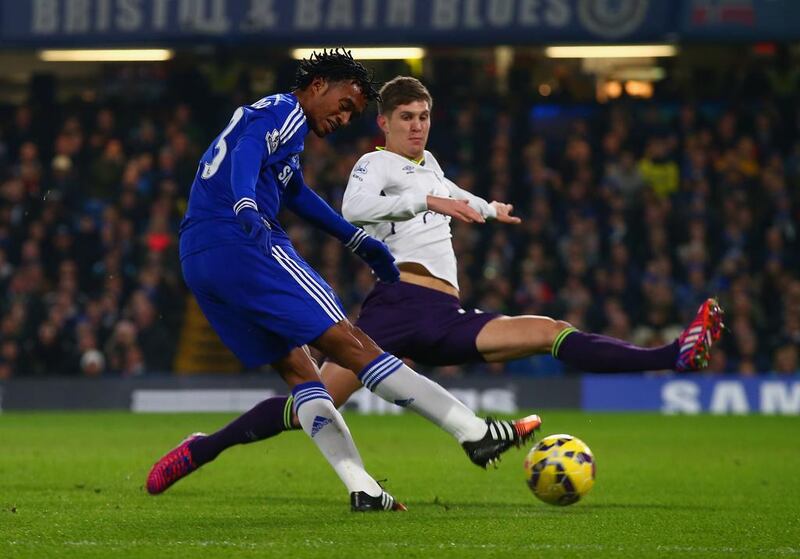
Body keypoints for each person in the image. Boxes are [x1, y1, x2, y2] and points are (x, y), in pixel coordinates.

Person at [150, 75, 723, 496]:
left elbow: (448, 197)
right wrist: (420, 206)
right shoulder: (373, 164)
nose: (417, 126)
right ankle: (210, 447)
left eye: (423, 116)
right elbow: (355, 205)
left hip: (443, 317)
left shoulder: (431, 167)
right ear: (386, 123)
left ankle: (672, 355)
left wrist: (487, 208)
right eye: (405, 118)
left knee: (548, 331)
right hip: (400, 307)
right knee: (309, 395)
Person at [145, 55, 541, 512]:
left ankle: (364, 488)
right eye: (344, 104)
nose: (343, 117)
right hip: (241, 241)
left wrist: (356, 240)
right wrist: (246, 205)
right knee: (350, 342)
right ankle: (472, 432)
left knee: (301, 373)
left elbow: (297, 195)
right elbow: (249, 151)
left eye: (353, 113)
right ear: (317, 85)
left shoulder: (283, 135)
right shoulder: (283, 112)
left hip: (198, 256)